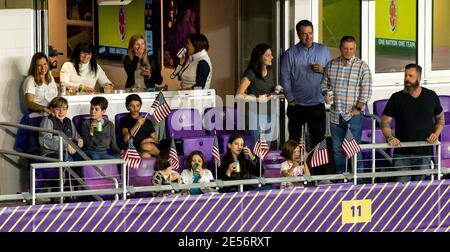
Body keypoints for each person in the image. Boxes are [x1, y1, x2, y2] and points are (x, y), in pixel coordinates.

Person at [280, 20, 330, 175]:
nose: (308, 37)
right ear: (298, 35)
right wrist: (290, 98)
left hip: (317, 104)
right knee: (294, 142)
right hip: (297, 105)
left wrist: (323, 70)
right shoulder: (290, 54)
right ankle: (292, 173)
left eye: (310, 33)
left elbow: (332, 73)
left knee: (318, 141)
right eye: (304, 34)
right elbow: (284, 78)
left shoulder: (323, 50)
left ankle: (319, 174)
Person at [382, 64, 444, 182]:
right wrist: (390, 137)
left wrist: (436, 134)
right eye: (405, 75)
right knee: (402, 188)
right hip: (402, 152)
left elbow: (441, 119)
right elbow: (385, 122)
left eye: (411, 76)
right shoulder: (396, 98)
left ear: (419, 78)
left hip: (424, 152)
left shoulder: (431, 96)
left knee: (420, 189)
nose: (407, 79)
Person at [321, 35, 372, 176]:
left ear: (355, 49)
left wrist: (358, 108)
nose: (348, 52)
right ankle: (340, 177)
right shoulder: (331, 65)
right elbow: (324, 84)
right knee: (337, 149)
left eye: (351, 49)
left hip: (353, 115)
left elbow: (366, 92)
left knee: (353, 149)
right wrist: (326, 93)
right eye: (345, 48)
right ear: (340, 48)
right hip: (335, 114)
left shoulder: (362, 67)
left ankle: (358, 179)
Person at [235, 43, 275, 145]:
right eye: (267, 55)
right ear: (259, 57)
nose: (272, 57)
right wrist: (256, 99)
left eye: (271, 54)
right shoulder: (251, 73)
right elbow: (238, 95)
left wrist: (275, 94)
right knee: (258, 148)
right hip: (256, 115)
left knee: (266, 148)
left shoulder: (269, 72)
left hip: (269, 114)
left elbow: (267, 94)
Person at [39, 97, 83, 161]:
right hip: (51, 153)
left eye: (64, 109)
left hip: (67, 152)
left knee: (85, 158)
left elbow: (75, 136)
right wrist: (65, 146)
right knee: (68, 159)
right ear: (51, 109)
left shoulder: (68, 121)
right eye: (57, 109)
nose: (61, 112)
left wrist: (79, 139)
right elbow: (45, 141)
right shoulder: (48, 120)